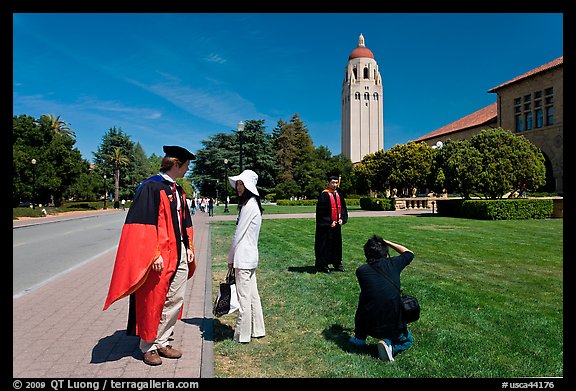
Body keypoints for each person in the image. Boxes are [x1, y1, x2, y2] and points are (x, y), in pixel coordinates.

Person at [103, 145, 197, 366]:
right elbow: (142, 225)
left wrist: (189, 248)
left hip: (179, 253)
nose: (187, 170)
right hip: (160, 255)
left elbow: (185, 223)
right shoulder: (150, 188)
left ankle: (163, 340)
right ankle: (149, 346)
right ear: (176, 164)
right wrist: (153, 254)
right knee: (153, 298)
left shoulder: (178, 190)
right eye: (186, 165)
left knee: (175, 298)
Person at [349, 235, 415, 362]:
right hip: (393, 324)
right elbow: (409, 253)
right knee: (408, 340)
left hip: (369, 325)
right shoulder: (394, 263)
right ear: (385, 252)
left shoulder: (361, 271)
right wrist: (387, 242)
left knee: (365, 298)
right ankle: (390, 346)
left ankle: (360, 338)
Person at [227, 169, 265, 343]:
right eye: (238, 184)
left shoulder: (249, 205)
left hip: (243, 258)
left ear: (249, 186)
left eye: (241, 184)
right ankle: (257, 329)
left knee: (244, 299)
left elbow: (238, 234)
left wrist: (230, 259)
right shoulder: (252, 204)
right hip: (249, 257)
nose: (238, 187)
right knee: (252, 296)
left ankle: (242, 335)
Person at [314, 175, 348, 273]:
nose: (335, 185)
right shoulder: (324, 195)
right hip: (326, 227)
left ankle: (337, 263)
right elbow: (320, 212)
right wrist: (329, 222)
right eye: (333, 183)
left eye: (336, 183)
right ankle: (323, 265)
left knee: (336, 245)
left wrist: (342, 219)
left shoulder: (339, 194)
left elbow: (343, 209)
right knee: (325, 245)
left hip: (337, 225)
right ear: (328, 183)